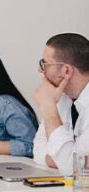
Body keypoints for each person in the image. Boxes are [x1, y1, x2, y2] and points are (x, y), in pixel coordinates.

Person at [33, 33, 89, 175]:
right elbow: (38, 148)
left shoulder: (51, 100)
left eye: (44, 64)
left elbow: (75, 169)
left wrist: (49, 111)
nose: (40, 70)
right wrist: (62, 160)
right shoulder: (61, 96)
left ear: (67, 70)